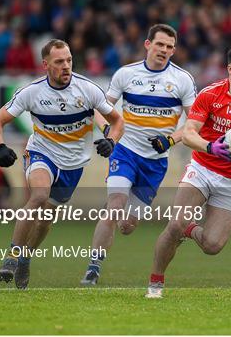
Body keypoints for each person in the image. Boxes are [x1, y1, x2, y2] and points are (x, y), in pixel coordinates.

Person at [146, 41, 231, 298]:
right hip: (202, 168)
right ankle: (155, 283)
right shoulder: (210, 94)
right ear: (230, 69)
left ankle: (188, 228)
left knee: (212, 245)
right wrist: (211, 148)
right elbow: (188, 134)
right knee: (174, 226)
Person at [0, 39, 124, 289]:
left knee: (45, 220)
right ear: (45, 64)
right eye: (59, 61)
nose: (66, 66)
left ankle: (26, 257)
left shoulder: (88, 89)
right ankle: (12, 255)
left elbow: (117, 122)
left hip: (73, 165)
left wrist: (111, 142)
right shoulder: (32, 92)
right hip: (42, 153)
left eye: (69, 60)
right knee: (39, 196)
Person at [80, 24, 197, 285]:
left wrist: (170, 140)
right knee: (115, 206)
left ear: (174, 50)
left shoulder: (182, 80)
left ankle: (115, 210)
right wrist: (109, 134)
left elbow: (194, 124)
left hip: (155, 164)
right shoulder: (126, 74)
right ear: (147, 44)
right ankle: (93, 268)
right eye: (159, 44)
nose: (164, 50)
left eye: (169, 47)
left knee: (127, 226)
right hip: (125, 151)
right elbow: (100, 108)